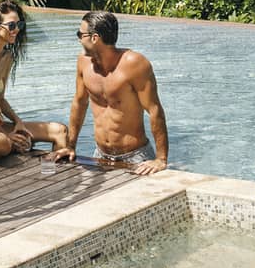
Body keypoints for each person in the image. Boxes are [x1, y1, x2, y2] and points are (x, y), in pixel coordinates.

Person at [51, 10, 168, 174]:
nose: (78, 39)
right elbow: (79, 103)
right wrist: (70, 146)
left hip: (136, 156)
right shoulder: (83, 63)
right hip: (101, 154)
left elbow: (155, 110)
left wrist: (161, 159)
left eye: (80, 34)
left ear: (94, 38)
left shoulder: (135, 64)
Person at [0, 0, 69, 160]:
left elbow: (0, 100)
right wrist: (7, 135)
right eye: (11, 25)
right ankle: (19, 144)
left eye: (19, 25)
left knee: (60, 131)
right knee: (2, 142)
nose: (16, 30)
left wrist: (18, 122)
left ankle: (56, 175)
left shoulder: (7, 56)